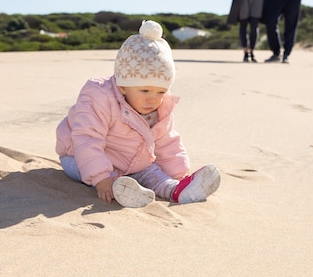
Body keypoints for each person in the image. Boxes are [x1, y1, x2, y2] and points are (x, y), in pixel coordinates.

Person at [56, 20, 221, 208]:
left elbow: (167, 142)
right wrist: (101, 178)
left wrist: (177, 174)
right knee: (100, 174)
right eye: (145, 91)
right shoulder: (99, 97)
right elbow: (87, 138)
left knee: (154, 174)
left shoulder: (159, 108)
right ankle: (118, 188)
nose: (153, 99)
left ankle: (178, 190)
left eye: (160, 92)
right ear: (123, 85)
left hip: (134, 163)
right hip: (80, 156)